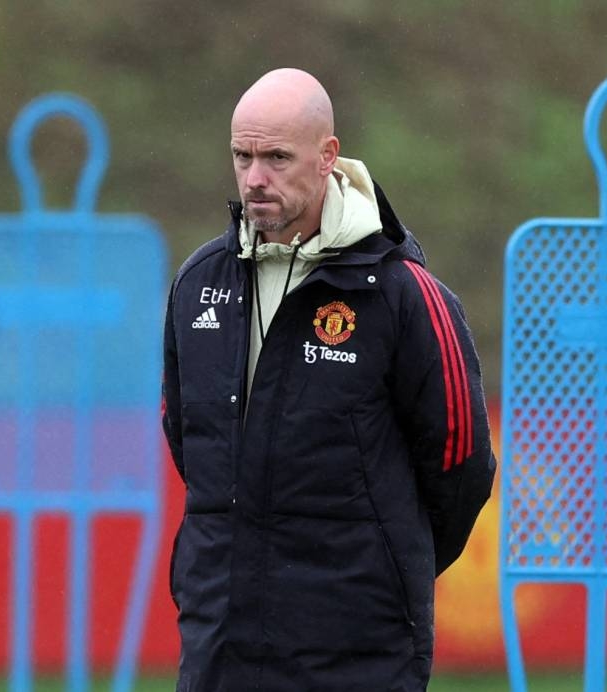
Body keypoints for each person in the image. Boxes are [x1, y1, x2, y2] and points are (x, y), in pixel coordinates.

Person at [162, 67, 496, 692]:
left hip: (356, 653)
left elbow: (461, 466)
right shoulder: (196, 283)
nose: (255, 177)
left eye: (277, 158)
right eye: (243, 156)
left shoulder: (404, 296)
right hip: (220, 645)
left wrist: (384, 568)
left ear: (327, 157)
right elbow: (191, 442)